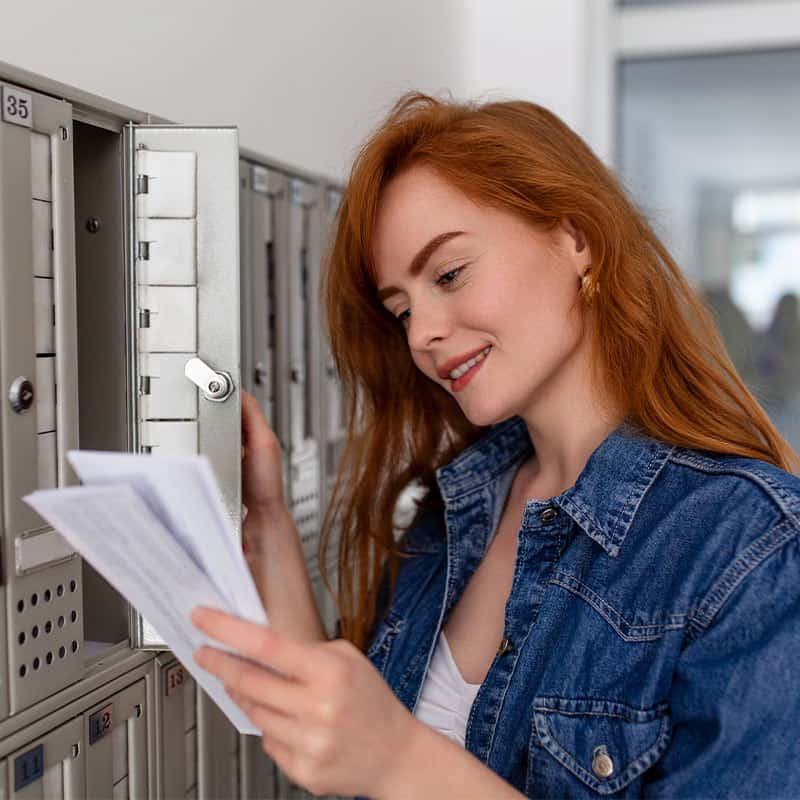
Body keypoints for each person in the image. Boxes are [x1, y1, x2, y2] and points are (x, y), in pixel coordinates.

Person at [191, 93, 800, 799]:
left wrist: (399, 759)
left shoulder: (750, 549)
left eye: (449, 275)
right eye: (403, 310)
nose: (421, 334)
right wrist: (263, 520)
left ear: (577, 240)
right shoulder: (449, 517)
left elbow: (387, 760)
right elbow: (341, 748)